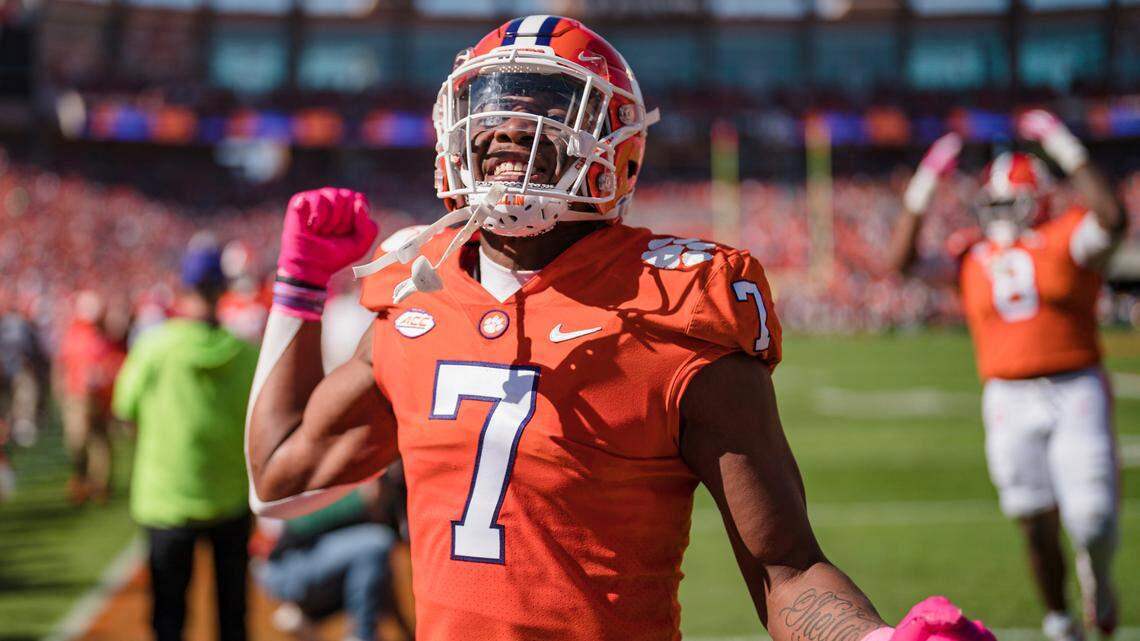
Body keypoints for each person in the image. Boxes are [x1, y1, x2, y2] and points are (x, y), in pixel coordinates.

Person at [246, 16, 994, 641]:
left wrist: (871, 638)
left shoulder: (678, 305)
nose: (506, 123)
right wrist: (298, 288)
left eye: (540, 101)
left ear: (613, 143)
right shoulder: (418, 291)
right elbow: (278, 480)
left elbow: (787, 570)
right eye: (491, 100)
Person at [888, 112, 1128, 641]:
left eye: (1009, 200)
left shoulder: (1068, 237)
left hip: (1075, 386)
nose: (999, 212)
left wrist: (1063, 145)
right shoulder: (972, 253)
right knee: (1033, 519)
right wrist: (927, 177)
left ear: (1038, 198)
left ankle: (1098, 579)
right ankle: (1060, 621)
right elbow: (901, 260)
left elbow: (1113, 217)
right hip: (1006, 396)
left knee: (1091, 517)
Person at [112, 243, 258, 641]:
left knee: (168, 619)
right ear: (223, 289)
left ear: (182, 286)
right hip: (230, 497)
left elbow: (124, 411)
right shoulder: (245, 353)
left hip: (166, 500)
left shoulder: (154, 347)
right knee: (233, 617)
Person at [256, 467, 408, 641]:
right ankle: (360, 636)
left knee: (376, 558)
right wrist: (358, 499)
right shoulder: (293, 457)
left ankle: (310, 618)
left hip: (327, 563)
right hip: (285, 567)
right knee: (375, 543)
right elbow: (296, 522)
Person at [56, 290, 126, 505]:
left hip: (99, 397)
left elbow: (117, 364)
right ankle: (81, 478)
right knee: (77, 440)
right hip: (77, 396)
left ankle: (100, 485)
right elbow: (63, 365)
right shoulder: (74, 335)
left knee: (100, 442)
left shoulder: (107, 337)